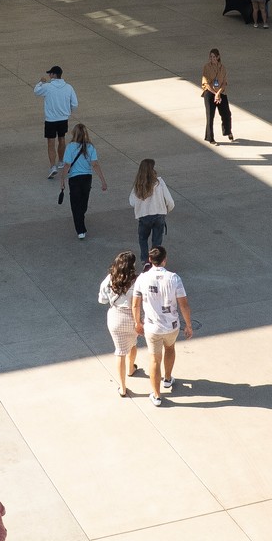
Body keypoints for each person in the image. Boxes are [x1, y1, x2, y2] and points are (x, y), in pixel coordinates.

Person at [131, 245, 192, 405]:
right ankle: (167, 378)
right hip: (171, 326)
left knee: (154, 360)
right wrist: (189, 325)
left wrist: (137, 322)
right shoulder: (174, 278)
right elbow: (183, 305)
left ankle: (157, 395)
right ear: (165, 260)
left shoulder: (142, 279)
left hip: (151, 328)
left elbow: (135, 304)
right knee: (170, 349)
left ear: (150, 260)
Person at [98, 251, 143, 397]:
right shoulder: (138, 280)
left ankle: (122, 387)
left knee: (120, 351)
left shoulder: (110, 279)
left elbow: (102, 299)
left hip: (115, 318)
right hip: (132, 317)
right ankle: (131, 368)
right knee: (133, 344)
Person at [58, 122, 107, 240]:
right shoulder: (90, 147)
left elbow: (67, 165)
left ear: (74, 133)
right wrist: (103, 181)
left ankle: (80, 230)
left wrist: (62, 180)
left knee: (75, 205)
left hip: (75, 179)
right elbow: (95, 164)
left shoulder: (70, 147)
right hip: (87, 178)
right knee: (83, 202)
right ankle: (81, 222)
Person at [128, 158, 176, 264]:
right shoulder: (159, 182)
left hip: (144, 216)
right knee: (157, 241)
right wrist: (166, 210)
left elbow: (131, 201)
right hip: (159, 215)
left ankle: (146, 261)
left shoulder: (138, 185)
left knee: (143, 238)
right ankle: (155, 261)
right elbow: (169, 201)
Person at [34, 67, 79, 177]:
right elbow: (75, 104)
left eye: (50, 74)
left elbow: (36, 91)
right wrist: (68, 112)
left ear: (54, 75)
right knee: (62, 139)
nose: (49, 76)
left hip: (50, 119)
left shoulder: (47, 87)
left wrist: (40, 82)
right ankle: (61, 162)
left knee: (51, 142)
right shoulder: (68, 87)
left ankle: (52, 166)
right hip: (63, 119)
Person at [200, 48, 234, 143]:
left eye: (214, 57)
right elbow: (206, 83)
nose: (212, 58)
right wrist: (215, 94)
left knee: (226, 113)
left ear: (218, 57)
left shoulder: (222, 68)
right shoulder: (206, 67)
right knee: (210, 115)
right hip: (210, 93)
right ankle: (210, 138)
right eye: (210, 57)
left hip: (220, 92)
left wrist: (218, 93)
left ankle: (228, 131)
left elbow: (224, 82)